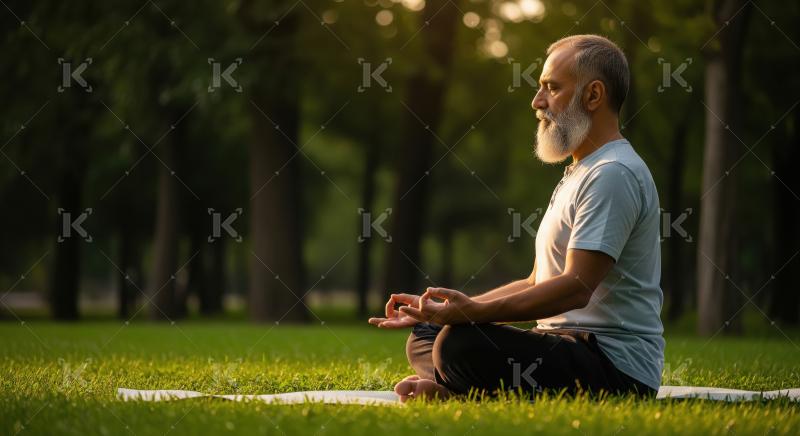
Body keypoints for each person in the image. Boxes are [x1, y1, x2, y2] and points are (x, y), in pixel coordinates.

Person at [368, 34, 664, 403]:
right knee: (429, 334)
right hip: (561, 348)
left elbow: (575, 286)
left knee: (459, 344)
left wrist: (472, 315)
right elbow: (537, 280)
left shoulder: (614, 173)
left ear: (593, 95)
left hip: (612, 369)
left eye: (551, 88)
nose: (537, 102)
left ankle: (461, 390)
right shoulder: (580, 172)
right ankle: (461, 386)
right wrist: (450, 311)